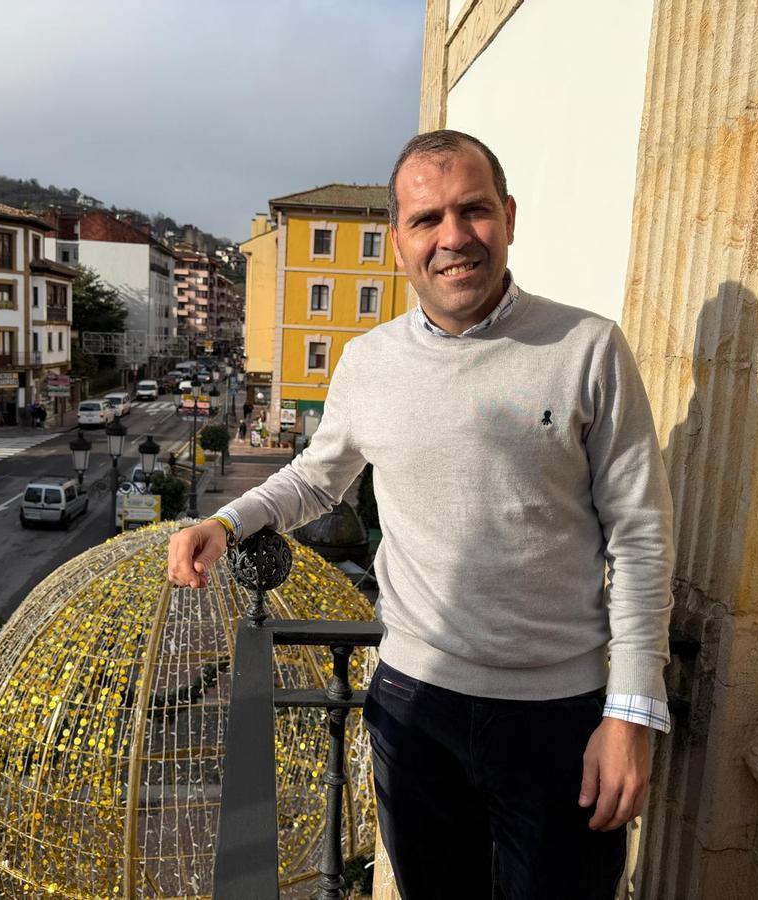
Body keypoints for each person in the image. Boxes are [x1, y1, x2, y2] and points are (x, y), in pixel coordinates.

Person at [168, 130, 674, 899]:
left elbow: (641, 537)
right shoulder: (369, 363)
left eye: (472, 210)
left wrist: (631, 713)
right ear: (398, 243)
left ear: (507, 215)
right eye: (426, 219)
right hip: (412, 710)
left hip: (558, 721)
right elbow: (316, 477)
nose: (453, 237)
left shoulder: (588, 348)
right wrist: (228, 522)